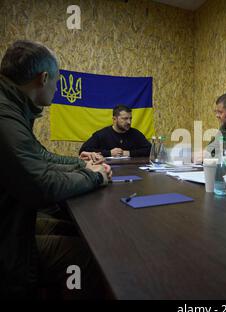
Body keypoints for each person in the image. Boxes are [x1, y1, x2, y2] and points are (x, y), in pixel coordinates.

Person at [0, 40, 112, 298]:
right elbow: (41, 185)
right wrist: (93, 176)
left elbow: (39, 156)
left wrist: (80, 164)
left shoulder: (12, 106)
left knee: (69, 228)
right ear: (44, 78)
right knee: (94, 260)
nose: (58, 87)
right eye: (57, 80)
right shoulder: (5, 114)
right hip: (9, 247)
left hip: (15, 225)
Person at [79, 105, 151, 158]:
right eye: (125, 119)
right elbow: (83, 151)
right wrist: (109, 153)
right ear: (114, 119)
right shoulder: (101, 134)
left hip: (132, 169)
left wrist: (129, 153)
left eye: (130, 118)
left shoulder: (135, 134)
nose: (129, 122)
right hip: (108, 170)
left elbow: (150, 150)